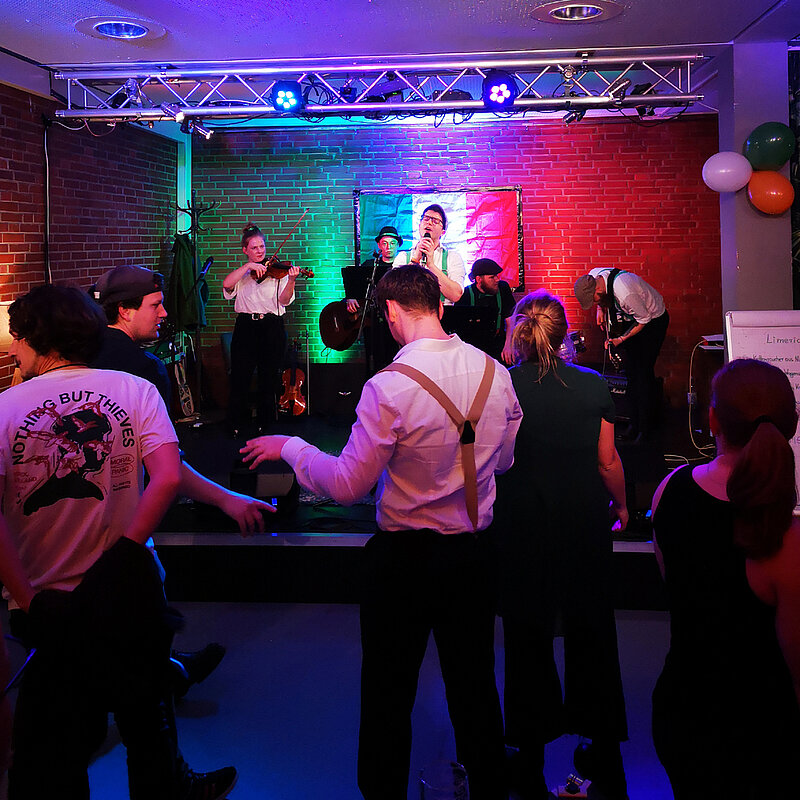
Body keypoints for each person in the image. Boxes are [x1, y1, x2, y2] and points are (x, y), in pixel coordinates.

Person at [241, 265, 522, 800]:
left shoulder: (388, 386)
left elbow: (347, 485)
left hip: (404, 563)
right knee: (476, 689)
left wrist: (291, 448)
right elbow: (503, 462)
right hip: (474, 556)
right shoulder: (496, 372)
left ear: (391, 312)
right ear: (440, 306)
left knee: (388, 696)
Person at [0, 284, 236, 800]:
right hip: (129, 595)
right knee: (147, 730)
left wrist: (27, 599)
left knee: (53, 755)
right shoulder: (135, 389)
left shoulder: (4, 408)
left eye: (17, 337)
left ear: (38, 339)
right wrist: (125, 554)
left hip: (50, 602)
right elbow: (167, 477)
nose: (13, 348)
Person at [494, 290, 629, 800]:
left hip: (522, 523)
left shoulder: (502, 384)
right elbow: (606, 461)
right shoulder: (593, 384)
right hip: (582, 522)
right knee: (591, 630)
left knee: (527, 636)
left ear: (518, 332)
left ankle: (527, 751)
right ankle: (601, 743)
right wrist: (622, 507)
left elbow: (492, 457)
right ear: (563, 332)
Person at [650, 358, 800, 799]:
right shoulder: (785, 536)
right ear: (790, 426)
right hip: (762, 732)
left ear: (713, 420)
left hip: (682, 711)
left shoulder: (669, 489)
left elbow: (678, 589)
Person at [223, 223, 301, 436]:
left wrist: (291, 280)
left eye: (262, 246)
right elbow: (226, 284)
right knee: (241, 376)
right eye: (254, 248)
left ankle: (265, 425)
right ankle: (235, 424)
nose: (259, 251)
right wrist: (247, 267)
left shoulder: (278, 273)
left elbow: (284, 301)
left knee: (268, 377)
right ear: (245, 250)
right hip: (246, 326)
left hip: (271, 327)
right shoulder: (243, 275)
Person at [573, 268, 668, 442]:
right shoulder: (594, 276)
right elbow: (603, 298)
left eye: (594, 300)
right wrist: (600, 309)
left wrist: (620, 339)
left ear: (598, 290)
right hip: (637, 318)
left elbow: (644, 319)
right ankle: (634, 424)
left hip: (653, 321)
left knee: (642, 373)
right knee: (631, 373)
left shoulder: (625, 293)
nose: (594, 303)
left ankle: (645, 430)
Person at [342, 225, 402, 373]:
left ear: (398, 245)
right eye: (384, 243)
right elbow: (356, 287)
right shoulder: (370, 265)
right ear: (379, 245)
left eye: (392, 243)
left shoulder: (403, 266)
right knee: (373, 357)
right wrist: (351, 297)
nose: (388, 247)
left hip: (396, 320)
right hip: (372, 320)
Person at [393, 204, 465, 303]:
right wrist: (415, 260)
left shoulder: (452, 257)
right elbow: (395, 291)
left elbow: (456, 295)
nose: (429, 222)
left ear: (443, 232)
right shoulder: (403, 257)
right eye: (426, 219)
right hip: (410, 312)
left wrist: (431, 265)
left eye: (435, 221)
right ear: (419, 225)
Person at [455, 257, 515, 362]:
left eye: (497, 276)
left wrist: (508, 345)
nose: (497, 279)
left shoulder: (503, 288)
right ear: (479, 279)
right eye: (492, 277)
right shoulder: (466, 294)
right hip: (474, 346)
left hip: (498, 343)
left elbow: (511, 320)